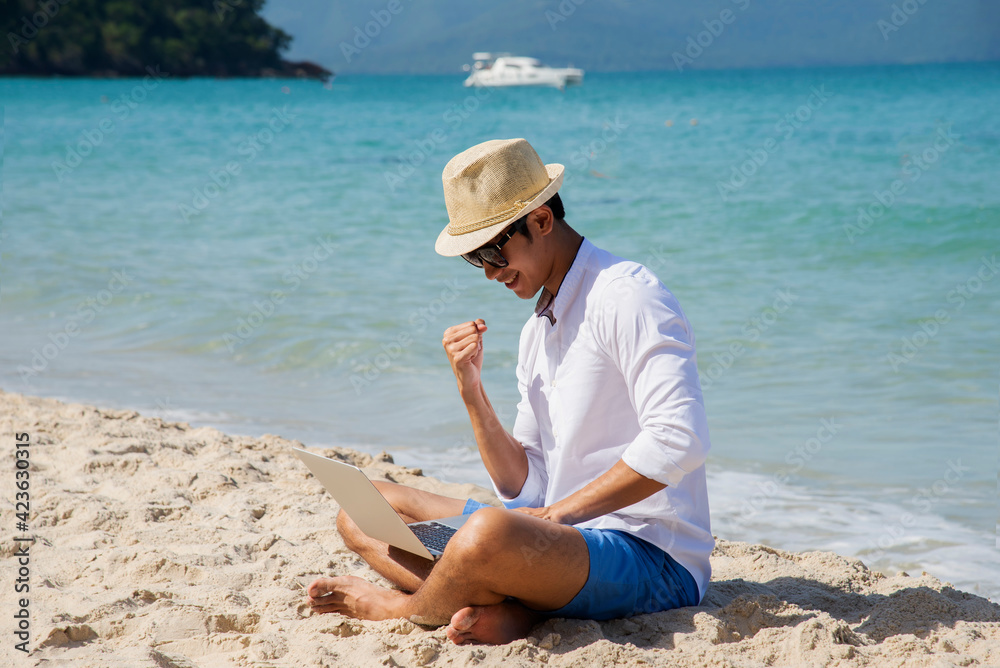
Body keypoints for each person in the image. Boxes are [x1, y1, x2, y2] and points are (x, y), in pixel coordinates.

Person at [307, 138, 713, 645]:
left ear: (541, 221)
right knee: (363, 512)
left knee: (489, 535)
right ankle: (512, 609)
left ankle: (406, 608)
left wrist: (557, 516)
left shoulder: (627, 295)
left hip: (651, 554)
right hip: (561, 543)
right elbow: (525, 486)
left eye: (495, 250)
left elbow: (681, 439)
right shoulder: (537, 330)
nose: (492, 272)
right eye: (477, 259)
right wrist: (471, 391)